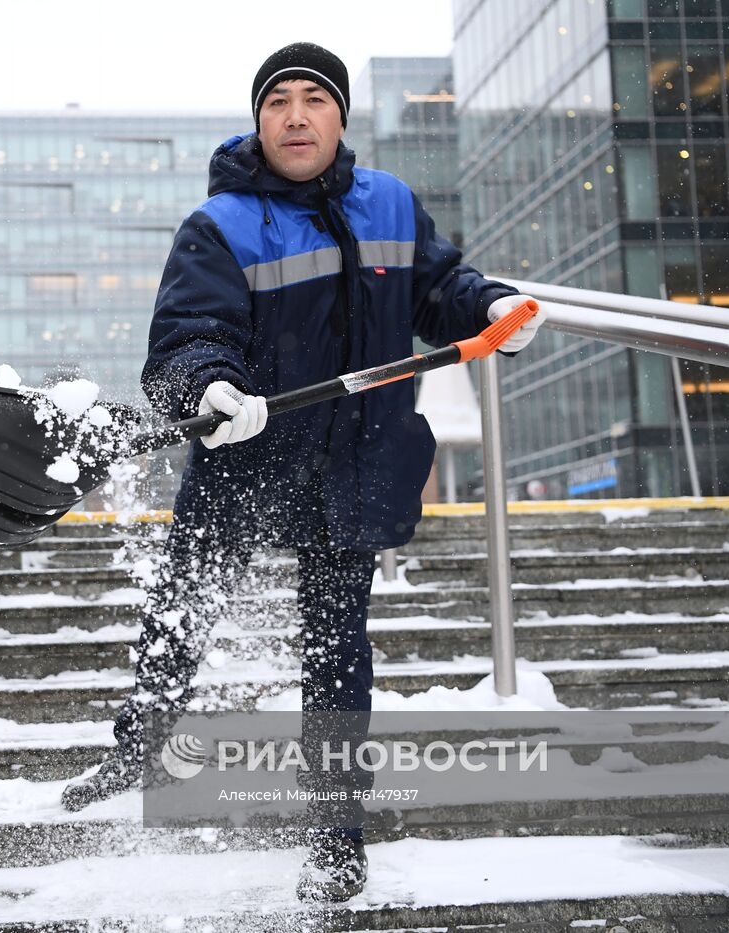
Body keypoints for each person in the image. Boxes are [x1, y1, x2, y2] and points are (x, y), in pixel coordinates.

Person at [60, 41, 544, 902]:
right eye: (276, 100)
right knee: (183, 611)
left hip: (355, 465)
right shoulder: (224, 226)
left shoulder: (390, 203)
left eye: (313, 98)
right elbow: (184, 339)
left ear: (340, 118)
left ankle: (335, 832)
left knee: (337, 657)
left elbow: (439, 288)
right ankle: (137, 750)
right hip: (243, 461)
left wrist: (491, 302)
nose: (294, 114)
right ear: (257, 121)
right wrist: (214, 386)